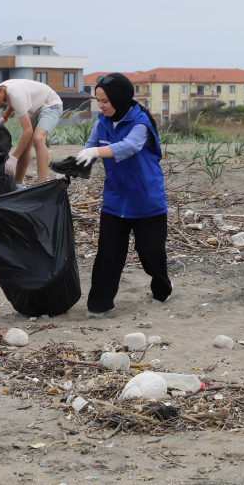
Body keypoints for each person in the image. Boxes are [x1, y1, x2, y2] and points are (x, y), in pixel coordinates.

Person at [72, 73, 172, 317]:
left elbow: (129, 147)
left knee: (150, 252)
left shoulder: (141, 122)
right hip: (116, 199)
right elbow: (90, 147)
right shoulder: (102, 123)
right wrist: (75, 166)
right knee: (108, 253)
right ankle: (99, 305)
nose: (101, 105)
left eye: (105, 100)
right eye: (98, 100)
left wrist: (96, 150)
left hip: (146, 199)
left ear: (119, 97)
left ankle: (163, 289)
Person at [0, 76, 63, 188]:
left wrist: (14, 158)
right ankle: (18, 184)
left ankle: (41, 186)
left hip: (51, 105)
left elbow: (28, 130)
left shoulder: (16, 94)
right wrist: (4, 118)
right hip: (35, 109)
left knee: (38, 139)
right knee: (26, 144)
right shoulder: (2, 88)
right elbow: (11, 102)